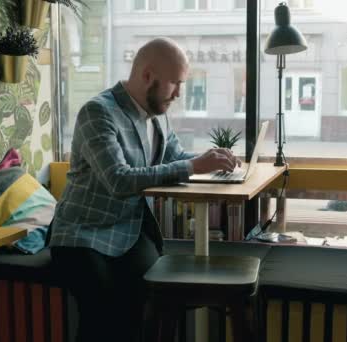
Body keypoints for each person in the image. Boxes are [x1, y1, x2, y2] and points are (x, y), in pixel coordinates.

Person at [48, 37, 241, 342]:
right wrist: (195, 166)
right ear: (148, 75)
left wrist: (213, 159)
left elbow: (176, 158)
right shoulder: (97, 113)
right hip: (80, 234)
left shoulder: (158, 113)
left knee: (147, 300)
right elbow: (120, 180)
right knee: (100, 311)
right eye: (174, 84)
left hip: (128, 230)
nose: (178, 94)